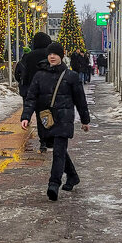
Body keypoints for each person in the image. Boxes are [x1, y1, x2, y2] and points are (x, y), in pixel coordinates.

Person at [21, 42, 90, 202]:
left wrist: (85, 120)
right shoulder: (39, 75)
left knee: (58, 151)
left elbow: (80, 100)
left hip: (64, 119)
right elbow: (31, 98)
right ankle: (72, 176)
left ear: (61, 56)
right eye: (50, 54)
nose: (52, 56)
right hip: (47, 119)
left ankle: (54, 184)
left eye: (55, 54)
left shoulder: (71, 76)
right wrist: (25, 116)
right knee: (59, 149)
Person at [14, 32, 53, 153]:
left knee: (39, 116)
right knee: (47, 115)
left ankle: (43, 141)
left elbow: (23, 73)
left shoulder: (29, 56)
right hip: (48, 91)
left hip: (34, 91)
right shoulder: (51, 55)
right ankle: (48, 138)